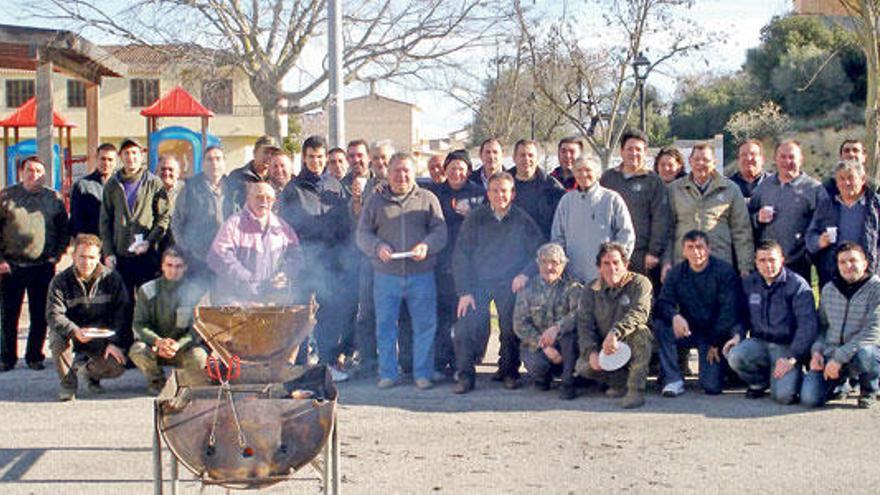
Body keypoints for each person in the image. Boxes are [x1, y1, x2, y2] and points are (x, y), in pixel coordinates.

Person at [356, 153, 447, 390]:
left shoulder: (428, 198)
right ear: (388, 172)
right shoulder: (375, 201)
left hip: (422, 275)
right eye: (396, 170)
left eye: (406, 170)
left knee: (425, 326)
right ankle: (388, 373)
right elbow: (362, 234)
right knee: (385, 326)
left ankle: (423, 374)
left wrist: (427, 245)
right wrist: (377, 247)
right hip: (386, 276)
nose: (401, 175)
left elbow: (440, 232)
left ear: (414, 173)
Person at [452, 172, 544, 393]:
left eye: (504, 190)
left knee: (509, 329)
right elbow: (461, 255)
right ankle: (465, 377)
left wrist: (524, 274)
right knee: (465, 327)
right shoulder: (476, 218)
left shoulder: (523, 219)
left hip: (510, 283)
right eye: (494, 190)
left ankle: (508, 372)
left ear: (512, 193)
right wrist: (465, 291)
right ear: (488, 193)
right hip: (478, 284)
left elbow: (538, 252)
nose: (499, 195)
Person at [278, 135, 353, 381]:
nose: (316, 161)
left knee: (329, 314)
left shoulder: (336, 186)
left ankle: (327, 363)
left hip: (331, 262)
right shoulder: (293, 189)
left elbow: (345, 226)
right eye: (311, 157)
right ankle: (298, 365)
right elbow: (286, 228)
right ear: (304, 157)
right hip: (303, 262)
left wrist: (343, 258)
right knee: (300, 313)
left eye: (320, 157)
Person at [723, 240, 818, 403]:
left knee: (783, 397)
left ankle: (795, 376)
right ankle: (759, 383)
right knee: (735, 355)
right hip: (760, 342)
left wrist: (792, 358)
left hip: (787, 347)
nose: (768, 265)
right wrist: (737, 335)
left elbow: (807, 327)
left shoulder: (797, 286)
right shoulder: (749, 283)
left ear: (782, 259)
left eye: (772, 260)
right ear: (756, 263)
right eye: (762, 260)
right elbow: (741, 316)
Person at [0, 155, 70, 371]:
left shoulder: (53, 199)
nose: (34, 174)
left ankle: (34, 356)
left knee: (40, 314)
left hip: (42, 266)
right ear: (22, 172)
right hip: (11, 266)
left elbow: (63, 231)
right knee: (8, 315)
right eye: (30, 170)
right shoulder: (6, 197)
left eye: (39, 171)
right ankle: (7, 357)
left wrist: (56, 255)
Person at [654, 230, 743, 397]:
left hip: (715, 333)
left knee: (711, 386)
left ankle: (722, 371)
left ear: (708, 249)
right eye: (691, 247)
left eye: (700, 247)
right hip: (689, 329)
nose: (696, 252)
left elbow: (728, 313)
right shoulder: (676, 273)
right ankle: (673, 379)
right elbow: (663, 303)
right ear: (684, 251)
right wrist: (675, 316)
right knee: (661, 325)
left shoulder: (724, 272)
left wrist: (715, 342)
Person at [47, 234, 130, 401]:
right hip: (72, 334)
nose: (87, 262)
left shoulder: (112, 279)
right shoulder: (60, 281)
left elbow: (122, 313)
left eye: (91, 257)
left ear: (99, 257)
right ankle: (68, 384)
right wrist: (75, 331)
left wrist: (114, 343)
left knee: (117, 365)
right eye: (82, 257)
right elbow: (54, 315)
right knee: (56, 338)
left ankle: (89, 373)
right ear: (73, 256)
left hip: (101, 336)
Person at [425, 150, 485, 379]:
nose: (456, 173)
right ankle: (442, 363)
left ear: (468, 170)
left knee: (466, 319)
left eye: (461, 168)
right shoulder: (434, 194)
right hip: (440, 265)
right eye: (451, 168)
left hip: (470, 267)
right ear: (445, 170)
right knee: (442, 316)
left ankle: (464, 364)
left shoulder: (479, 195)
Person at [575, 242, 654, 408]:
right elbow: (584, 325)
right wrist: (591, 352)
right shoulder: (590, 289)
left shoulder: (640, 283)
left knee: (642, 332)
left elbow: (639, 313)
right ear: (599, 267)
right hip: (607, 349)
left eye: (616, 263)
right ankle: (618, 383)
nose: (612, 268)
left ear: (625, 264)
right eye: (606, 263)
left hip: (632, 345)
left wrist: (615, 333)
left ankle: (635, 390)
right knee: (583, 367)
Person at [801, 242, 880, 409]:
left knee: (867, 353)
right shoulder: (829, 289)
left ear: (865, 263)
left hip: (859, 353)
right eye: (842, 262)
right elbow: (822, 327)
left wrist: (839, 358)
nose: (848, 266)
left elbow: (873, 332)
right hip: (831, 354)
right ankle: (842, 383)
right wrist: (816, 351)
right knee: (809, 398)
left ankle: (869, 389)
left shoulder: (876, 288)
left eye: (853, 260)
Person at [665, 143, 754, 278]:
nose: (701, 163)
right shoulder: (674, 190)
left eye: (706, 160)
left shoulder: (731, 190)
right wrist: (666, 262)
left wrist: (745, 266)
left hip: (720, 264)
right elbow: (667, 230)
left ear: (715, 162)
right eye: (697, 159)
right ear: (690, 161)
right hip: (683, 264)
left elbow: (741, 231)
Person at [207, 182, 303, 305]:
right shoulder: (233, 224)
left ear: (274, 201)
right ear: (248, 198)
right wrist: (248, 281)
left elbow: (296, 257)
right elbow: (217, 256)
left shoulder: (282, 228)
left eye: (269, 198)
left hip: (270, 303)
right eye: (259, 196)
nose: (264, 201)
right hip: (236, 303)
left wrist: (284, 274)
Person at [129, 248, 208, 395]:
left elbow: (197, 329)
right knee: (137, 350)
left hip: (182, 348)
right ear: (162, 266)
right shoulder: (148, 290)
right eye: (169, 265)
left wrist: (178, 344)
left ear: (185, 268)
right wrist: (158, 341)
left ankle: (186, 382)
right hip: (156, 347)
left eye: (178, 266)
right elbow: (139, 324)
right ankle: (157, 381)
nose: (173, 270)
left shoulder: (194, 292)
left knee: (200, 356)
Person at [99, 137, 168, 302]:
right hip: (121, 257)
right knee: (123, 306)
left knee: (148, 303)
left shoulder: (154, 183)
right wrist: (108, 253)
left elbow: (163, 217)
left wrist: (149, 241)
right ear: (121, 156)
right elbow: (105, 221)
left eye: (134, 153)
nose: (131, 157)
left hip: (146, 257)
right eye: (127, 153)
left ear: (142, 155)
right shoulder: (112, 185)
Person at [749, 140, 829, 281]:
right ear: (775, 159)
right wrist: (757, 218)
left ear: (801, 159)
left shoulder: (814, 189)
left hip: (799, 263)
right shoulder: (763, 187)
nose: (787, 161)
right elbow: (746, 219)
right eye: (783, 156)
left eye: (792, 157)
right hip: (767, 264)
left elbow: (823, 224)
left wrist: (809, 252)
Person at [514, 243, 582, 400]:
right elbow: (520, 324)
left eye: (554, 262)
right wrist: (543, 344)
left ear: (563, 265)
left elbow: (578, 314)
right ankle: (543, 378)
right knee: (538, 366)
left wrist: (557, 328)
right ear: (538, 264)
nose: (549, 267)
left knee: (570, 339)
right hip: (538, 345)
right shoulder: (527, 288)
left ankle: (567, 383)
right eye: (544, 262)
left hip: (564, 343)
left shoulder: (573, 287)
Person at [552, 156, 634, 284]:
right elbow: (557, 237)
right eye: (579, 170)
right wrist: (562, 266)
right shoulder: (566, 201)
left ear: (597, 174)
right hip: (573, 277)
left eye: (588, 170)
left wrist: (616, 266)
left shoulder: (612, 199)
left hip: (605, 277)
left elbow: (626, 235)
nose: (583, 174)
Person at [600, 129, 669, 280]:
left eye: (638, 149)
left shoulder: (653, 181)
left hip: (641, 256)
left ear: (645, 152)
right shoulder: (608, 178)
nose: (634, 153)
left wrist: (653, 252)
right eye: (629, 149)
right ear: (622, 151)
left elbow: (660, 218)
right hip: (611, 255)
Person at [807, 159, 880, 288]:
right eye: (841, 178)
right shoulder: (826, 205)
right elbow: (810, 237)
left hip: (868, 274)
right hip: (833, 274)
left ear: (862, 179)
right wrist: (819, 241)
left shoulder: (875, 205)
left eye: (851, 178)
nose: (846, 183)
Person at [171, 145, 227, 288]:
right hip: (198, 259)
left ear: (224, 162)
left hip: (226, 259)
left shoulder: (233, 187)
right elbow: (177, 222)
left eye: (218, 159)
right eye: (209, 159)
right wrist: (186, 251)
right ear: (202, 164)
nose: (214, 163)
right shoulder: (190, 188)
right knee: (196, 303)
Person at [511, 139, 565, 238]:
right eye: (522, 155)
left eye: (531, 155)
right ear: (514, 158)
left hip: (542, 247)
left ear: (537, 159)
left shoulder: (553, 188)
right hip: (509, 247)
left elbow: (561, 224)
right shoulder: (503, 185)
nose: (526, 159)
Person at [223, 135, 280, 217]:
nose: (269, 157)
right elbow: (229, 206)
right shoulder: (238, 176)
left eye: (273, 154)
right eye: (266, 152)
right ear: (255, 152)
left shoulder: (276, 179)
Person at [70, 143, 117, 237]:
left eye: (110, 160)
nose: (106, 163)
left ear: (116, 161)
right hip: (92, 244)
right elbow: (77, 221)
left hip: (117, 243)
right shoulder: (82, 186)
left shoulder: (122, 185)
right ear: (96, 159)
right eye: (103, 159)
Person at [151, 154, 184, 255]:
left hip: (180, 249)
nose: (166, 172)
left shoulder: (187, 191)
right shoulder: (151, 191)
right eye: (163, 169)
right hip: (155, 248)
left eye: (170, 169)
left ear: (178, 173)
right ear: (156, 172)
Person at [728, 139, 768, 203]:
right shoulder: (727, 186)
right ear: (738, 160)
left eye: (753, 154)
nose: (748, 158)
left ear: (762, 159)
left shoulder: (775, 184)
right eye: (744, 155)